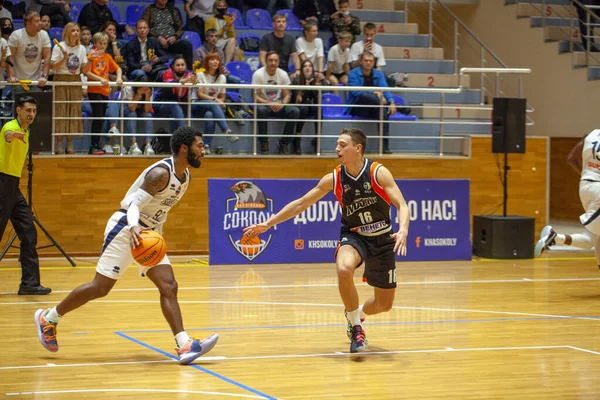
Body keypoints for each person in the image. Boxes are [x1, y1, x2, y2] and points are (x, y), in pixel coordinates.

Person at [34, 126, 219, 364]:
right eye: (200, 146)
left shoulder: (186, 177)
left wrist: (157, 237)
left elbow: (159, 213)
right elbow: (133, 206)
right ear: (185, 148)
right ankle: (49, 318)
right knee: (100, 288)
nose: (204, 150)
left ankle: (183, 345)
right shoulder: (160, 173)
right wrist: (133, 228)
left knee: (169, 285)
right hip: (125, 229)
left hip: (148, 235)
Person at [244, 127, 409, 353]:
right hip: (354, 235)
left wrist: (404, 229)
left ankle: (356, 314)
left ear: (357, 148)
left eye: (342, 144)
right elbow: (301, 203)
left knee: (383, 305)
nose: (337, 148)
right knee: (343, 269)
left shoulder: (378, 172)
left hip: (382, 238)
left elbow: (402, 205)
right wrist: (269, 223)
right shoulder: (334, 178)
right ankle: (356, 328)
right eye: (337, 144)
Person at [0, 96, 52, 295]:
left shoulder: (27, 131)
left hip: (13, 187)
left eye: (34, 111)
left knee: (29, 233)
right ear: (18, 111)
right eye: (28, 110)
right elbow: (8, 135)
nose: (31, 115)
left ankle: (29, 284)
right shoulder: (10, 127)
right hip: (2, 183)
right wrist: (15, 135)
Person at [535, 129, 600, 266]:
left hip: (585, 187)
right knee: (591, 239)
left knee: (596, 236)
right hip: (598, 191)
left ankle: (555, 238)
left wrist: (586, 175)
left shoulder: (591, 134)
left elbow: (571, 158)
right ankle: (555, 237)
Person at [346, 51, 397, 154]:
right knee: (364, 95)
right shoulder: (352, 73)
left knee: (383, 111)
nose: (368, 63)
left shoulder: (378, 74)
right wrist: (374, 92)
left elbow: (384, 88)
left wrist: (391, 102)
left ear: (374, 63)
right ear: (361, 61)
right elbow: (355, 91)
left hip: (375, 106)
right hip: (358, 107)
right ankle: (394, 107)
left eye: (370, 61)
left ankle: (384, 146)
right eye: (365, 60)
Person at [50, 22, 89, 155]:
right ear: (67, 32)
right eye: (73, 31)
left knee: (73, 111)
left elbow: (84, 70)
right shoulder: (58, 47)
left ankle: (70, 143)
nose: (76, 33)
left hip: (75, 80)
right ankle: (59, 144)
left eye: (77, 30)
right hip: (61, 79)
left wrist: (90, 60)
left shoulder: (82, 49)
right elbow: (53, 67)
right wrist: (64, 58)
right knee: (61, 111)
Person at [252, 51, 300, 155]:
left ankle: (284, 143)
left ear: (278, 62)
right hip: (265, 105)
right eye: (270, 60)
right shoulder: (258, 74)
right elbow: (255, 97)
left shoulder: (282, 74)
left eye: (275, 60)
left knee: (294, 111)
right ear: (266, 61)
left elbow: (287, 95)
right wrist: (268, 103)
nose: (273, 63)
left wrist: (282, 103)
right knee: (260, 110)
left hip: (279, 105)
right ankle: (264, 143)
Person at [84, 31, 123, 154]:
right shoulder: (91, 56)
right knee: (98, 117)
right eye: (100, 43)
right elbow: (87, 72)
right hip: (94, 90)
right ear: (95, 43)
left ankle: (97, 145)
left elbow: (118, 68)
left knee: (101, 118)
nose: (103, 46)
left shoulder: (107, 56)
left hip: (105, 91)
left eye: (105, 43)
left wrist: (118, 78)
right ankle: (94, 145)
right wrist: (100, 79)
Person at [191, 51, 237, 153]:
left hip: (211, 107)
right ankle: (226, 130)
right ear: (207, 62)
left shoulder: (222, 78)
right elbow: (200, 95)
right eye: (212, 60)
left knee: (210, 115)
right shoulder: (200, 74)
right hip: (196, 103)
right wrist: (216, 100)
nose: (215, 62)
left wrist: (219, 101)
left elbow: (222, 96)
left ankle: (206, 145)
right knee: (212, 104)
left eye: (217, 60)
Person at [7, 11, 51, 94]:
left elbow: (47, 58)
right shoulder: (16, 35)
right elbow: (10, 57)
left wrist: (44, 76)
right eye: (37, 21)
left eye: (40, 20)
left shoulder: (44, 35)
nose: (40, 23)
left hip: (36, 81)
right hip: (18, 80)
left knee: (36, 106)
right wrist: (11, 76)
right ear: (28, 23)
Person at [142, 0, 194, 69]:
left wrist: (175, 37)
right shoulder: (149, 10)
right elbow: (144, 27)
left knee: (187, 45)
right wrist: (158, 37)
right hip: (156, 41)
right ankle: (152, 69)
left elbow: (180, 28)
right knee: (151, 41)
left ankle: (189, 71)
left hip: (172, 42)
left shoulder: (172, 10)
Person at [153, 56, 196, 134]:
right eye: (178, 65)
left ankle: (175, 142)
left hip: (179, 108)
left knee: (175, 112)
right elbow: (169, 85)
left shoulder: (189, 75)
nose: (180, 67)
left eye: (182, 65)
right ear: (173, 66)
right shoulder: (167, 73)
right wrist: (181, 81)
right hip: (162, 105)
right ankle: (185, 134)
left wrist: (195, 82)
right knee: (174, 104)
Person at [292, 59, 324, 155]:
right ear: (302, 69)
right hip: (300, 107)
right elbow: (297, 101)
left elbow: (318, 101)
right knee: (304, 109)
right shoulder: (297, 80)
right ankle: (297, 140)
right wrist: (305, 87)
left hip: (311, 106)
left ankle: (316, 140)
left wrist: (318, 90)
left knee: (319, 109)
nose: (307, 68)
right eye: (305, 66)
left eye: (309, 66)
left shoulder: (316, 80)